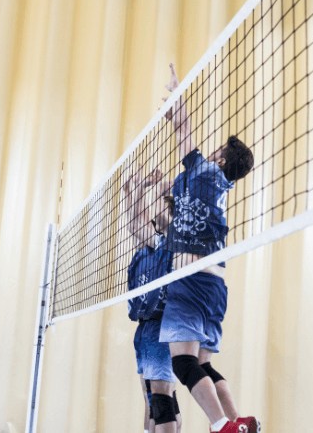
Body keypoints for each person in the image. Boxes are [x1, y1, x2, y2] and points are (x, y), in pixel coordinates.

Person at [158, 64, 257, 433]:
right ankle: (238, 420)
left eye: (215, 149)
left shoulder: (204, 173)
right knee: (202, 364)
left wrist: (177, 95)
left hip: (192, 280)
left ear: (220, 159)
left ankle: (221, 426)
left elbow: (184, 132)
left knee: (183, 365)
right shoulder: (217, 188)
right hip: (216, 286)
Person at [122, 167, 181, 433]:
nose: (154, 217)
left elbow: (152, 215)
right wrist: (132, 189)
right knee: (152, 400)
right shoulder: (150, 246)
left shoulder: (173, 242)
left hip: (163, 326)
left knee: (160, 401)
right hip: (145, 329)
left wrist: (153, 187)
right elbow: (135, 222)